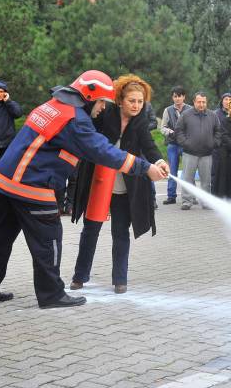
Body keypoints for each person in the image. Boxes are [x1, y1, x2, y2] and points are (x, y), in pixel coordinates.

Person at [0, 70, 168, 309]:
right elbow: (102, 151)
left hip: (5, 182)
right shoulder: (74, 119)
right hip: (31, 185)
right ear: (89, 96)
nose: (103, 109)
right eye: (101, 102)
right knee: (49, 239)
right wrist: (144, 168)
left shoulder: (53, 105)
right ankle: (52, 295)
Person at [69, 75, 166, 294]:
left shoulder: (141, 121)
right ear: (120, 100)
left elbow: (149, 146)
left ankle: (120, 280)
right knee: (91, 230)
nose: (136, 105)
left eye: (140, 102)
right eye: (132, 100)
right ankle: (79, 276)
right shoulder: (106, 113)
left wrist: (159, 161)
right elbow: (88, 136)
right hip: (99, 181)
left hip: (125, 186)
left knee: (121, 232)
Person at [175, 92, 222, 210]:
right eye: (199, 102)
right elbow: (178, 130)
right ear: (194, 102)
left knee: (206, 181)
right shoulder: (186, 115)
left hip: (207, 154)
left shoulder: (212, 115)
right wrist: (185, 143)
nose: (201, 104)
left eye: (203, 102)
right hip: (189, 153)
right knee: (187, 178)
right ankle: (186, 201)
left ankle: (205, 202)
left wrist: (214, 143)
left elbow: (218, 131)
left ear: (206, 102)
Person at [160, 86, 191, 205]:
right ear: (172, 97)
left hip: (186, 145)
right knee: (172, 171)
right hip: (172, 144)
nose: (177, 98)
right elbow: (162, 127)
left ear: (184, 97)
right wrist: (170, 132)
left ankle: (189, 197)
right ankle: (171, 196)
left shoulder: (190, 109)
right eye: (175, 96)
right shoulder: (167, 110)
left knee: (188, 171)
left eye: (179, 96)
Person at [211, 92, 231, 191]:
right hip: (218, 148)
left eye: (229, 99)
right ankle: (215, 194)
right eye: (225, 99)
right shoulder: (215, 114)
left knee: (230, 173)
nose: (227, 102)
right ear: (222, 101)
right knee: (216, 172)